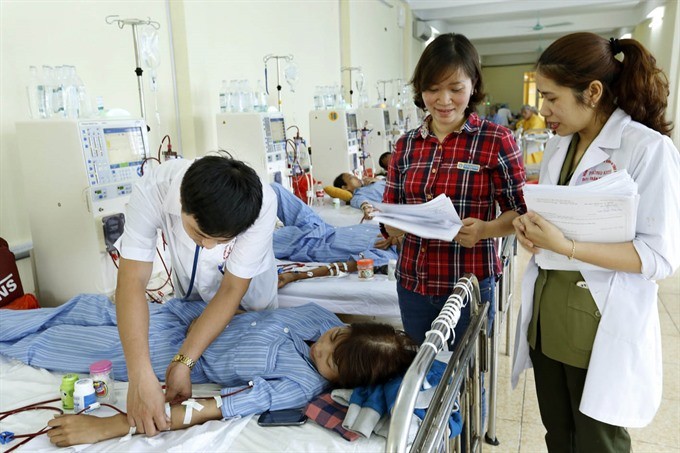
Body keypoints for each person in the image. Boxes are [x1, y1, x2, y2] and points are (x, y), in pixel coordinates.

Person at [511, 33, 680, 452]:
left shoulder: (648, 149)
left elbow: (659, 256)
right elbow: (553, 217)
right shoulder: (558, 146)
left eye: (551, 99)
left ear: (593, 92)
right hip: (547, 322)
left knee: (597, 441)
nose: (542, 111)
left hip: (598, 323)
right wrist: (530, 230)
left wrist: (566, 245)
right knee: (559, 435)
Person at [0, 294, 417, 447]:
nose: (320, 345)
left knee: (42, 343)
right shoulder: (319, 317)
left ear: (340, 382)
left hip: (158, 349)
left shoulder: (297, 384)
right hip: (174, 314)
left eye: (328, 359)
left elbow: (216, 406)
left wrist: (115, 426)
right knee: (73, 307)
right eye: (333, 336)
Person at [114, 153, 279, 436]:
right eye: (199, 233)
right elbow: (131, 281)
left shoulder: (262, 203)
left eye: (223, 240)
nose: (210, 245)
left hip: (249, 299)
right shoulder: (154, 188)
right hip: (189, 297)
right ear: (181, 202)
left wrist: (183, 361)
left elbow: (231, 289)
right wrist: (139, 375)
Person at [379, 33, 526, 346]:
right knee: (424, 380)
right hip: (413, 284)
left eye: (455, 89)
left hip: (468, 283)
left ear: (472, 84)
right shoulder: (406, 145)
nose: (443, 100)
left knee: (471, 381)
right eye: (432, 89)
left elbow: (521, 212)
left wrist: (486, 229)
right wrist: (390, 224)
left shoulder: (496, 140)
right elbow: (390, 206)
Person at [271, 182, 398, 266]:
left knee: (256, 239)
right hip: (320, 226)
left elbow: (351, 266)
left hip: (309, 242)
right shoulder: (386, 233)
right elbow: (358, 197)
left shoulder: (387, 256)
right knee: (273, 189)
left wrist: (298, 275)